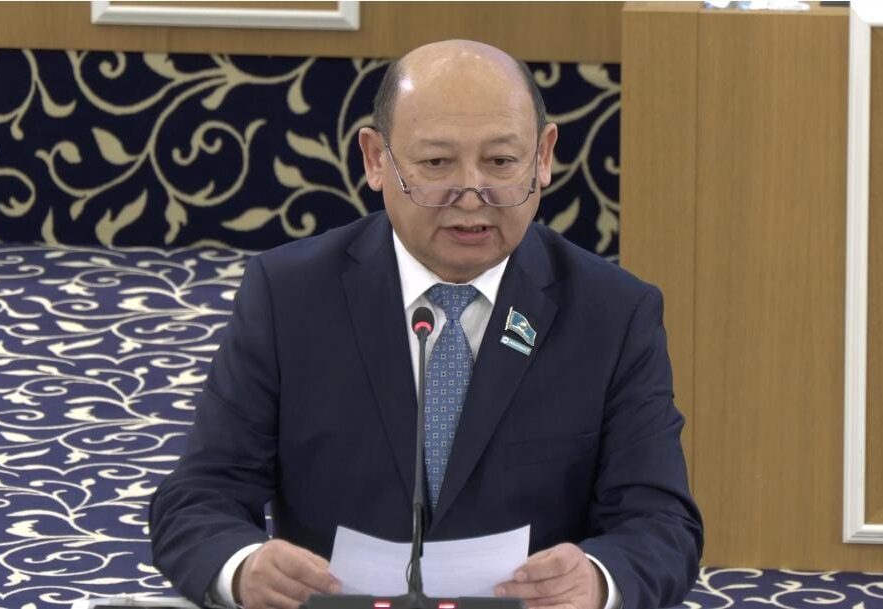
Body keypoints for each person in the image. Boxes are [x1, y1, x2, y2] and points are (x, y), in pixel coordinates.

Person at [149, 39, 703, 609]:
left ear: (543, 156)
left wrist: (597, 581)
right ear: (376, 159)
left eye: (501, 162)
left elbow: (661, 523)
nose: (472, 193)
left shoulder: (614, 313)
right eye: (437, 163)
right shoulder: (288, 295)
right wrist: (244, 569)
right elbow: (198, 496)